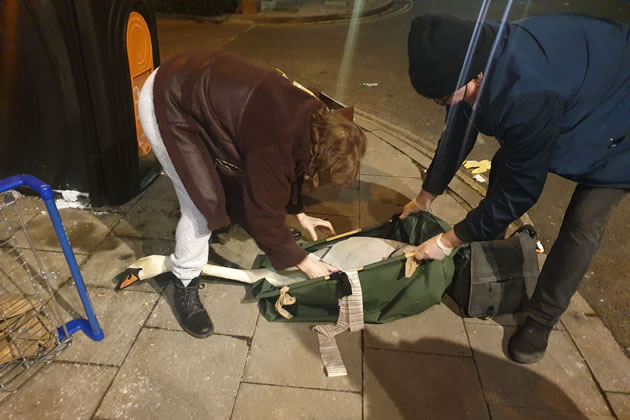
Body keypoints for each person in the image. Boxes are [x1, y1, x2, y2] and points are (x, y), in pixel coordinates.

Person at [403, 13, 630, 363]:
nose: (444, 104)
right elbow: (458, 133)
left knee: (584, 222)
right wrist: (426, 196)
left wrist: (447, 241)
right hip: (575, 85)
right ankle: (487, 253)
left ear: (477, 76)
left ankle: (541, 319)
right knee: (505, 166)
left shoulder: (527, 91)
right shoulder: (470, 55)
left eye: (444, 96)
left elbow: (520, 191)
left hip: (619, 119)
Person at [138, 49, 366, 338]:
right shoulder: (276, 143)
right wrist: (304, 262)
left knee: (228, 187)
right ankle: (184, 281)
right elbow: (263, 212)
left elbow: (294, 169)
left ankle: (214, 227)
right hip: (166, 101)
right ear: (318, 158)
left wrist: (300, 214)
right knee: (202, 207)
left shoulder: (314, 118)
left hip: (194, 81)